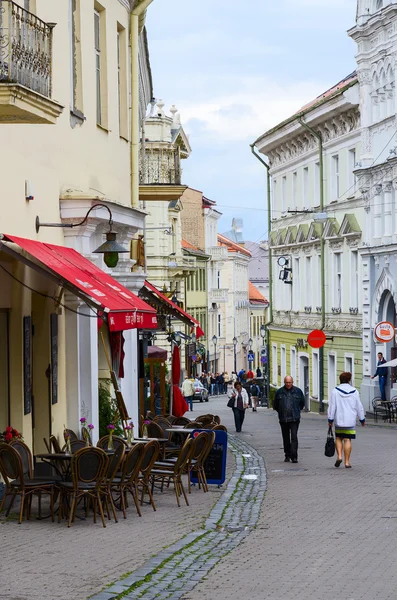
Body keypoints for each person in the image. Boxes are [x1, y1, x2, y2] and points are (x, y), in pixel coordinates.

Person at [328, 372, 365, 468]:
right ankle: (347, 462)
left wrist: (330, 419)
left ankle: (339, 456)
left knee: (338, 438)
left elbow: (332, 406)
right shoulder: (354, 391)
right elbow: (359, 406)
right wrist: (362, 419)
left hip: (339, 419)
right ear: (349, 380)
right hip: (350, 420)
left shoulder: (335, 391)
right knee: (347, 439)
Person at [273, 375, 305, 463]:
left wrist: (297, 411)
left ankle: (294, 456)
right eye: (286, 382)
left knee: (294, 437)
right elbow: (275, 405)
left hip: (294, 418)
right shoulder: (279, 392)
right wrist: (281, 412)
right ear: (284, 382)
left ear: (292, 382)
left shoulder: (298, 392)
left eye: (289, 382)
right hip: (283, 419)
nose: (288, 384)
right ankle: (287, 454)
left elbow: (302, 404)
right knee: (286, 437)